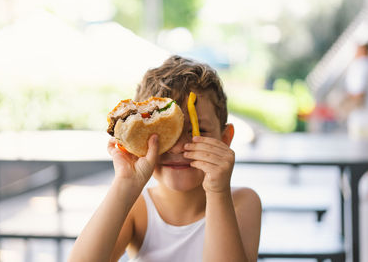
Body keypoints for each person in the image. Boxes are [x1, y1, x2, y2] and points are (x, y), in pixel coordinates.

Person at [68, 55, 262, 262]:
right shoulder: (137, 209)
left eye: (199, 130)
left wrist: (217, 190)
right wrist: (124, 184)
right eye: (163, 133)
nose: (178, 147)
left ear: (224, 139)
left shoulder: (242, 201)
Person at [342, 42, 368, 199]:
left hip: (361, 122)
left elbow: (359, 94)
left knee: (357, 158)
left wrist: (344, 104)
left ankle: (353, 189)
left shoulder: (361, 67)